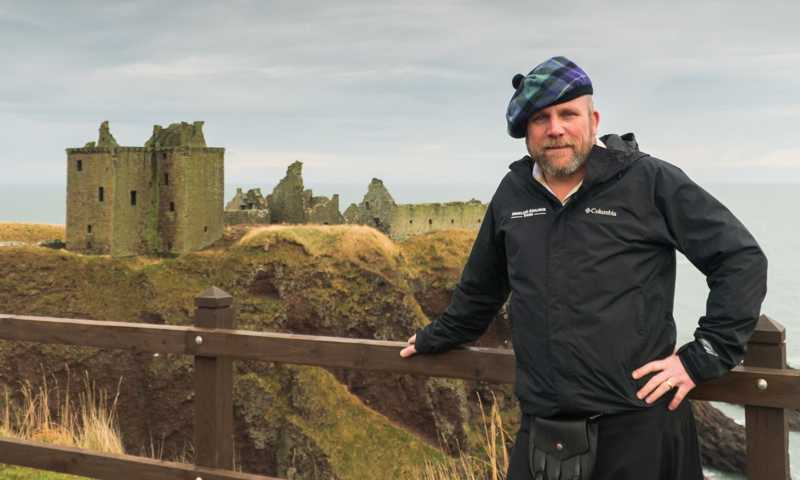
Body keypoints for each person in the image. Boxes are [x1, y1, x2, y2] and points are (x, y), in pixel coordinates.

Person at [399, 56, 768, 480]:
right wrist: (434, 337)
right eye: (541, 118)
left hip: (640, 427)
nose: (555, 128)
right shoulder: (514, 194)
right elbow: (482, 289)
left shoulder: (648, 180)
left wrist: (704, 354)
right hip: (543, 429)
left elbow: (739, 258)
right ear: (526, 132)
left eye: (567, 114)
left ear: (592, 120)